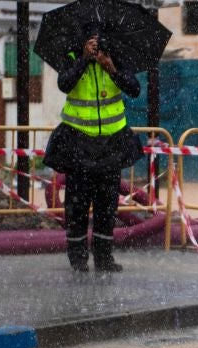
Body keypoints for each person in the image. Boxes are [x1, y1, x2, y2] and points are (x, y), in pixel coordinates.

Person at [43, 30, 143, 273]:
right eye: (91, 38)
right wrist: (84, 59)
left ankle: (104, 258)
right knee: (76, 207)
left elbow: (134, 89)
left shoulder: (115, 56)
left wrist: (111, 68)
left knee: (107, 206)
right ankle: (78, 260)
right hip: (78, 144)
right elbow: (64, 84)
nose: (96, 42)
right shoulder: (72, 56)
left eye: (99, 37)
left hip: (111, 144)